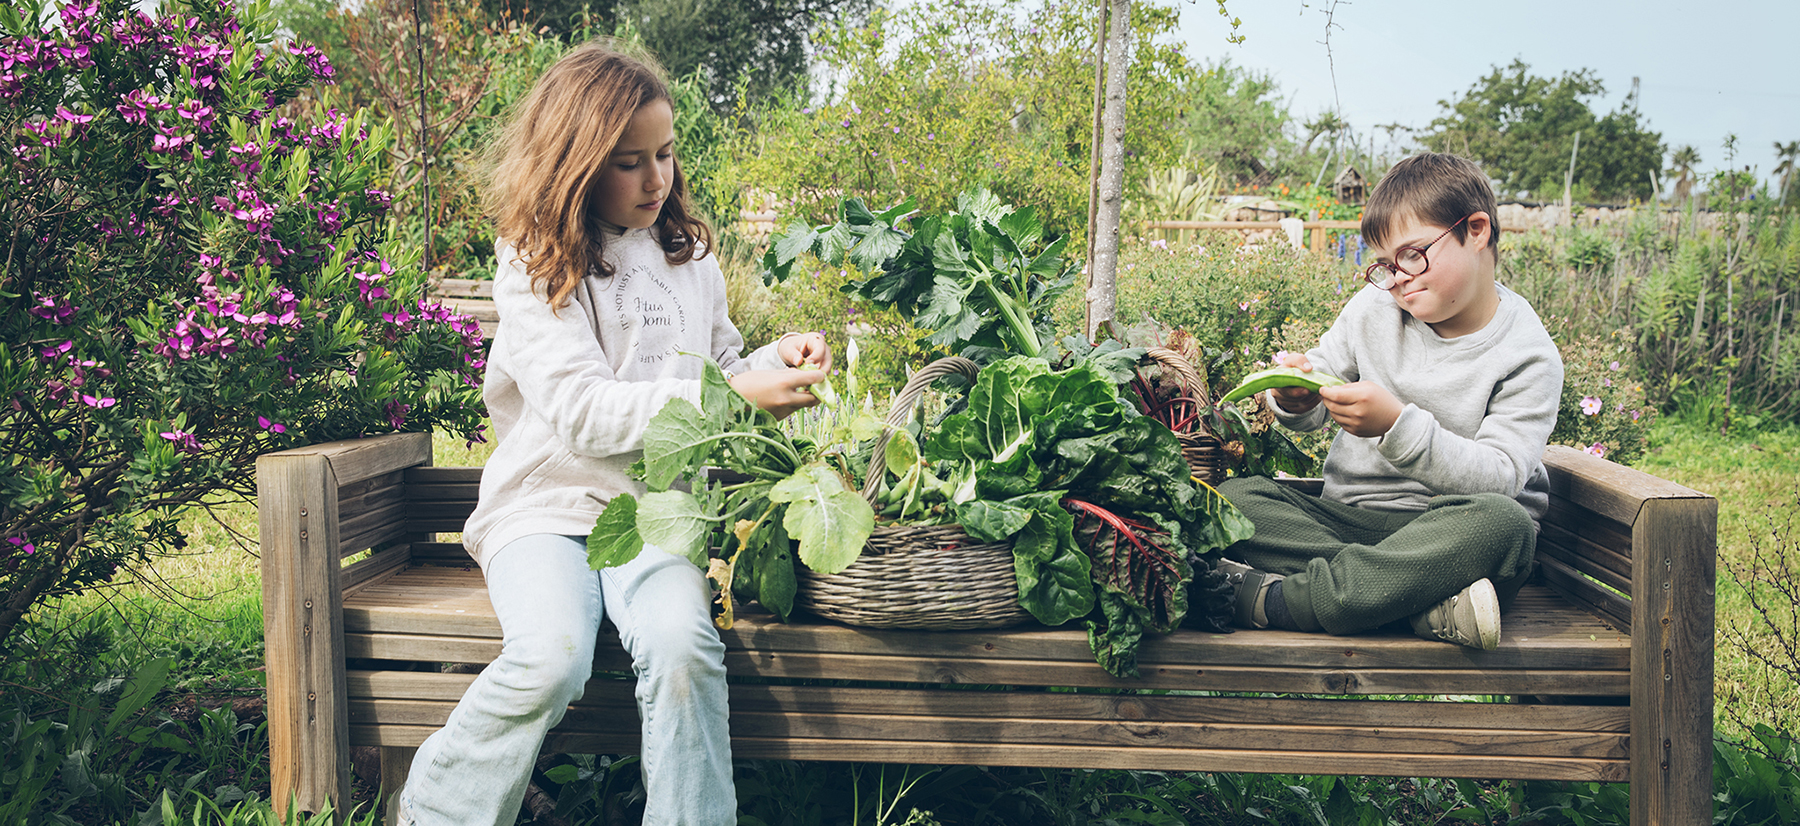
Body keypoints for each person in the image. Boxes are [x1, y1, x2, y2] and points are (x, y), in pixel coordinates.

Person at [395, 39, 831, 826]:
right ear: (575, 162)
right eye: (630, 161)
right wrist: (733, 393)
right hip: (546, 514)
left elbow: (720, 361)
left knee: (682, 649)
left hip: (657, 513)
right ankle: (435, 809)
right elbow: (587, 414)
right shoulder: (537, 264)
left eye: (664, 154)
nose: (656, 178)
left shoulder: (687, 255)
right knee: (551, 658)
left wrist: (777, 358)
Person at [1216, 152, 1562, 651]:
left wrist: (1394, 426)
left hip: (1449, 535)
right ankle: (1418, 603)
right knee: (1236, 500)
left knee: (1506, 529)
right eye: (1382, 265)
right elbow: (1315, 396)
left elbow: (1500, 478)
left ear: (1478, 230)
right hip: (1350, 521)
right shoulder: (1373, 310)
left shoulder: (1528, 356)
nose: (1397, 278)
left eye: (1412, 255)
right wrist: (1293, 395)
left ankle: (1289, 602)